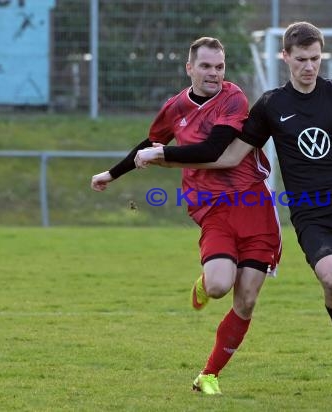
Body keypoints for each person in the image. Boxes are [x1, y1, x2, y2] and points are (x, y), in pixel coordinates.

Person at [135, 21, 332, 393]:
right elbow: (230, 156)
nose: (309, 66)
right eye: (301, 59)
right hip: (312, 215)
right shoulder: (271, 105)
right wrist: (166, 156)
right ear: (286, 57)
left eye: (315, 59)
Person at [90, 37, 282, 395]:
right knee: (220, 287)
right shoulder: (174, 107)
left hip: (254, 205)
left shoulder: (233, 98)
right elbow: (148, 145)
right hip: (212, 208)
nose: (214, 73)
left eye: (220, 66)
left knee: (248, 299)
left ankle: (208, 375)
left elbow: (214, 149)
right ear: (189, 68)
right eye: (206, 66)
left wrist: (163, 155)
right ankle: (205, 282)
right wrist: (111, 174)